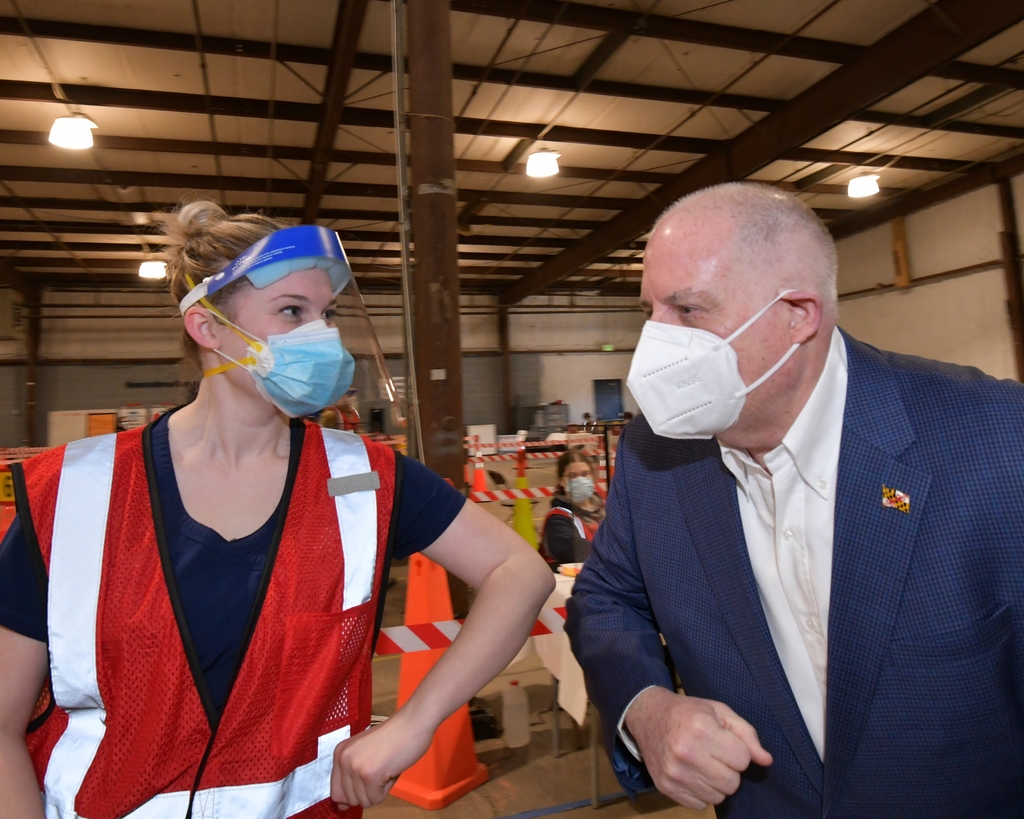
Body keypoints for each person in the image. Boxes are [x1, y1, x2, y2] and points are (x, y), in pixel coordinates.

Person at [0, 202, 554, 819]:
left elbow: (521, 573)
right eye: (292, 311)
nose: (321, 335)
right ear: (207, 328)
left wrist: (415, 722)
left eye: (328, 315)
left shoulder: (363, 476)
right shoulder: (76, 491)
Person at [565, 182, 1024, 818]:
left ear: (798, 315)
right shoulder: (657, 454)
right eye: (651, 311)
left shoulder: (994, 440)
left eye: (688, 310)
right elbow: (604, 596)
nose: (655, 345)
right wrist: (647, 707)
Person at [540, 448, 605, 565]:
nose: (580, 480)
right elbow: (574, 550)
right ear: (561, 481)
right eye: (572, 476)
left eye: (585, 474)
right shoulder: (558, 518)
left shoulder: (605, 509)